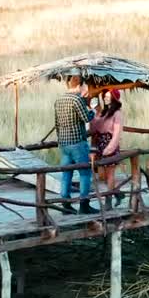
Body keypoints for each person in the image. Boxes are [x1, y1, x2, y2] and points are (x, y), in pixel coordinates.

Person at [53, 75, 98, 214]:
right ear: (79, 86)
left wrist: (60, 141)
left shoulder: (58, 100)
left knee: (67, 174)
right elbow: (86, 118)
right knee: (85, 173)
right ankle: (84, 204)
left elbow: (57, 124)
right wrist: (93, 111)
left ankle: (65, 205)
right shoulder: (77, 99)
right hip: (77, 142)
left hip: (64, 143)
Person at [89, 89, 125, 204]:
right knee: (103, 175)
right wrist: (93, 116)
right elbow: (97, 127)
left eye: (108, 96)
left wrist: (110, 148)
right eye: (105, 96)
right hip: (101, 143)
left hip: (109, 144)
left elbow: (117, 133)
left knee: (110, 174)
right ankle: (118, 194)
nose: (105, 98)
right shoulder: (104, 112)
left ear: (114, 98)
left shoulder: (117, 113)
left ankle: (108, 202)